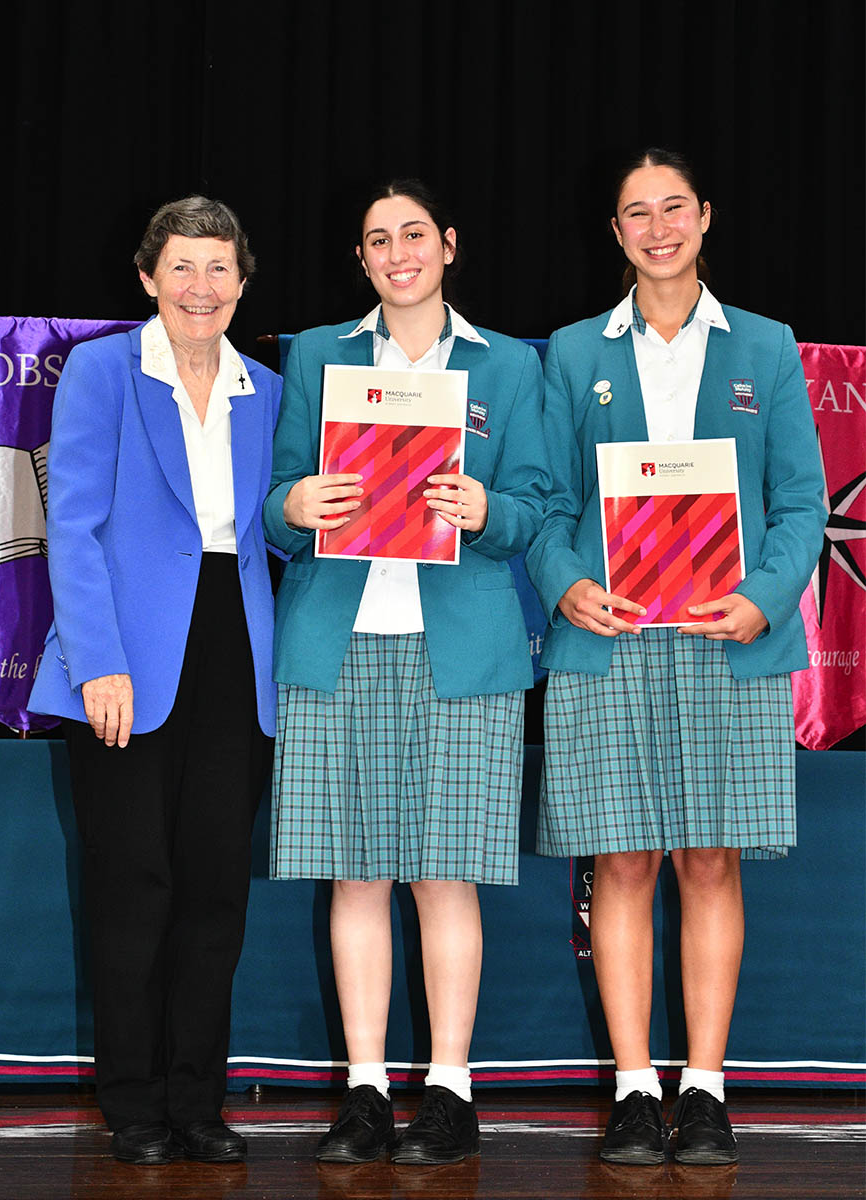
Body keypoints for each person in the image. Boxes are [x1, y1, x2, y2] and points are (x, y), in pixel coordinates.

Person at [526, 149, 826, 1167]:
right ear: (614, 234)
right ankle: (633, 1090)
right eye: (633, 215)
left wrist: (762, 598)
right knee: (621, 861)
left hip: (724, 642)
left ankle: (703, 1086)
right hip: (606, 642)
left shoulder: (769, 347)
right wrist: (567, 580)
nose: (657, 229)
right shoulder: (570, 354)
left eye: (672, 209)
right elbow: (546, 502)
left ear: (705, 217)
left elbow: (802, 506)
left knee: (709, 860)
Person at [262, 179, 549, 1165]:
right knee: (355, 873)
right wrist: (297, 503)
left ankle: (452, 1091)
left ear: (450, 245)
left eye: (414, 234)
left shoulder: (507, 367)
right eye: (378, 240)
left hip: (461, 649)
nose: (398, 253)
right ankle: (365, 1091)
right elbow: (271, 501)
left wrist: (486, 511)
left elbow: (538, 508)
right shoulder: (316, 355)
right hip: (336, 643)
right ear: (362, 259)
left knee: (444, 877)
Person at [29, 196, 282, 1165]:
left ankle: (198, 1103)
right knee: (135, 884)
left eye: (219, 268)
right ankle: (132, 1107)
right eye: (182, 266)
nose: (201, 287)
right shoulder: (101, 370)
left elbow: (275, 530)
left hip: (234, 652)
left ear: (242, 281)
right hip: (126, 657)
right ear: (147, 277)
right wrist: (99, 661)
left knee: (216, 890)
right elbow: (75, 525)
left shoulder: (267, 385)